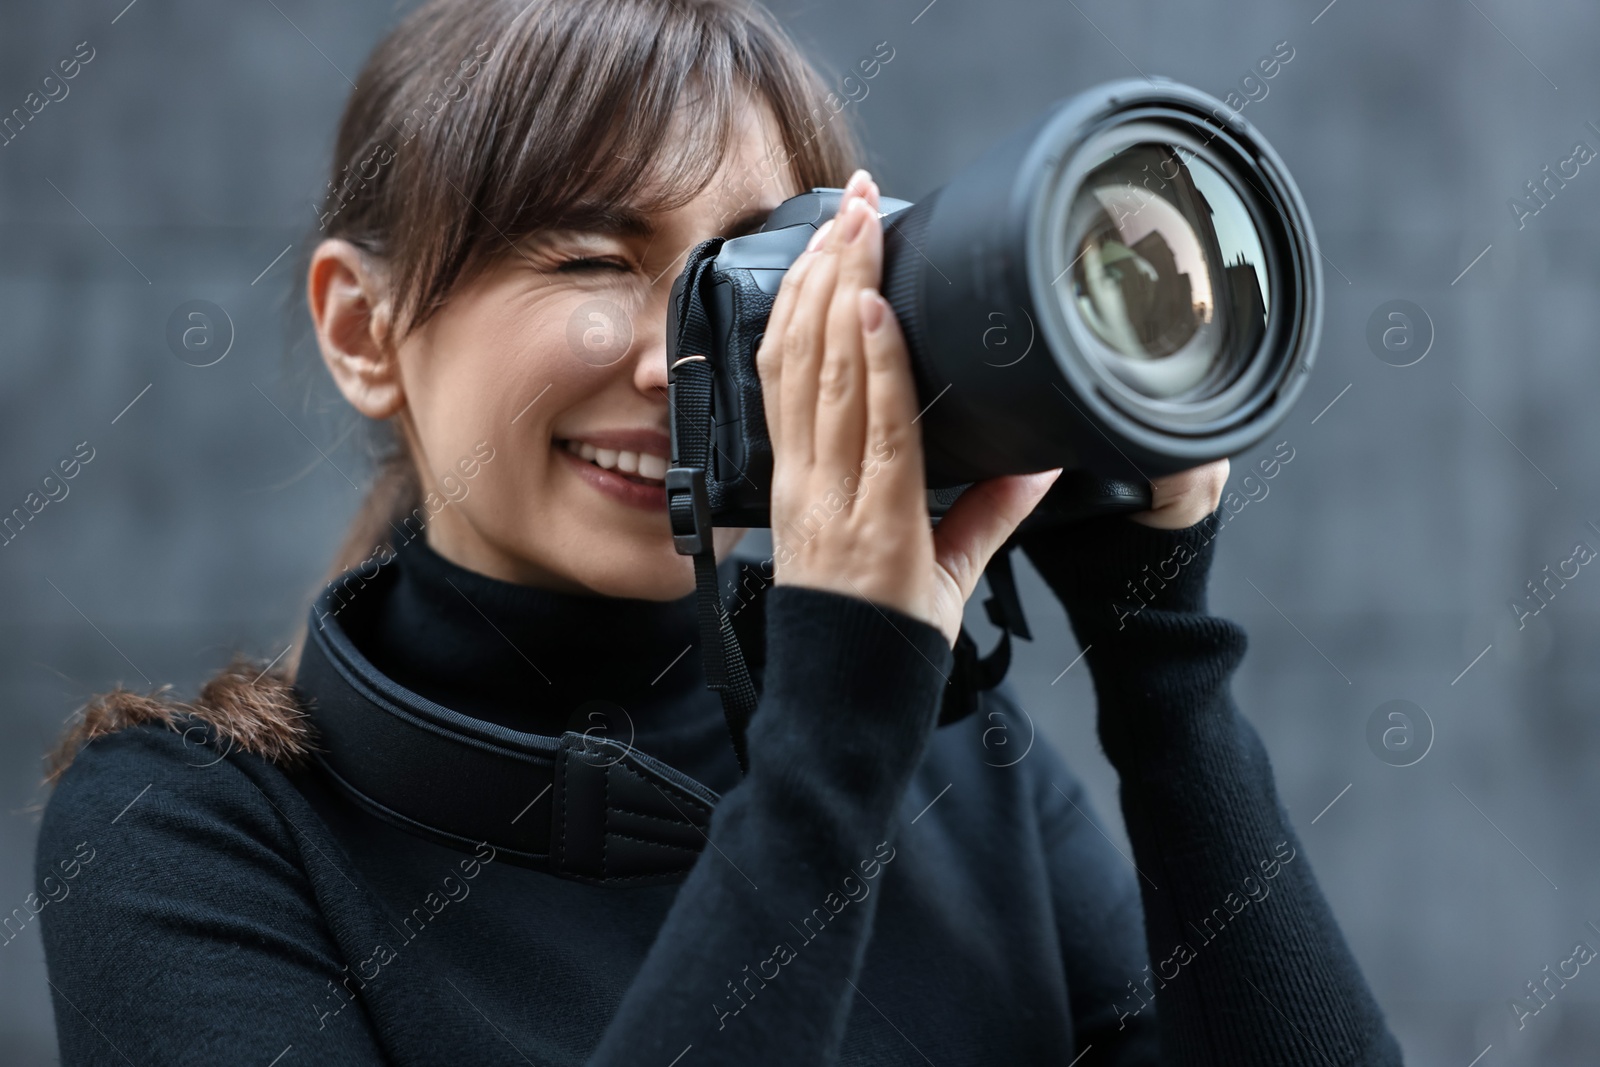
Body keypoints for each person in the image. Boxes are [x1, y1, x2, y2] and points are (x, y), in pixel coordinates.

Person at [34, 0, 1403, 1063]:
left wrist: (1160, 656)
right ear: (362, 331)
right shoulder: (191, 834)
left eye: (756, 275)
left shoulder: (955, 761)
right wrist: (832, 744)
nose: (684, 362)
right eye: (594, 261)